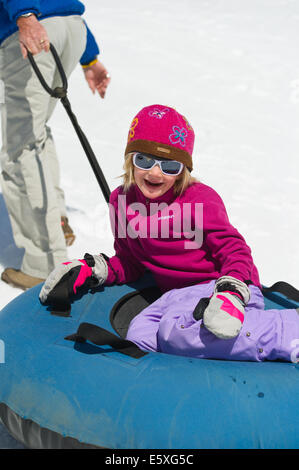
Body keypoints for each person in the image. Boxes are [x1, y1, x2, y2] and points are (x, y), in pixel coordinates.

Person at [0, 0, 110, 290]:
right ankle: (57, 222)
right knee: (35, 134)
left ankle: (44, 261)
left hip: (29, 25)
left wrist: (24, 14)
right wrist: (89, 57)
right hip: (70, 26)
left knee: (20, 148)